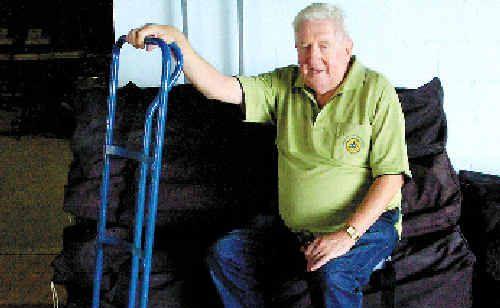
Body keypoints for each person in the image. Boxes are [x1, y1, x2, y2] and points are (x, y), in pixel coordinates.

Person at [127, 3, 411, 307]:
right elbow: (220, 88)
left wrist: (347, 234)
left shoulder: (376, 91)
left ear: (347, 48)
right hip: (296, 230)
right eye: (305, 47)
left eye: (324, 46)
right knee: (226, 255)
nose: (313, 57)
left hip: (366, 226)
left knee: (333, 272)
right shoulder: (285, 85)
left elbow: (391, 176)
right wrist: (177, 42)